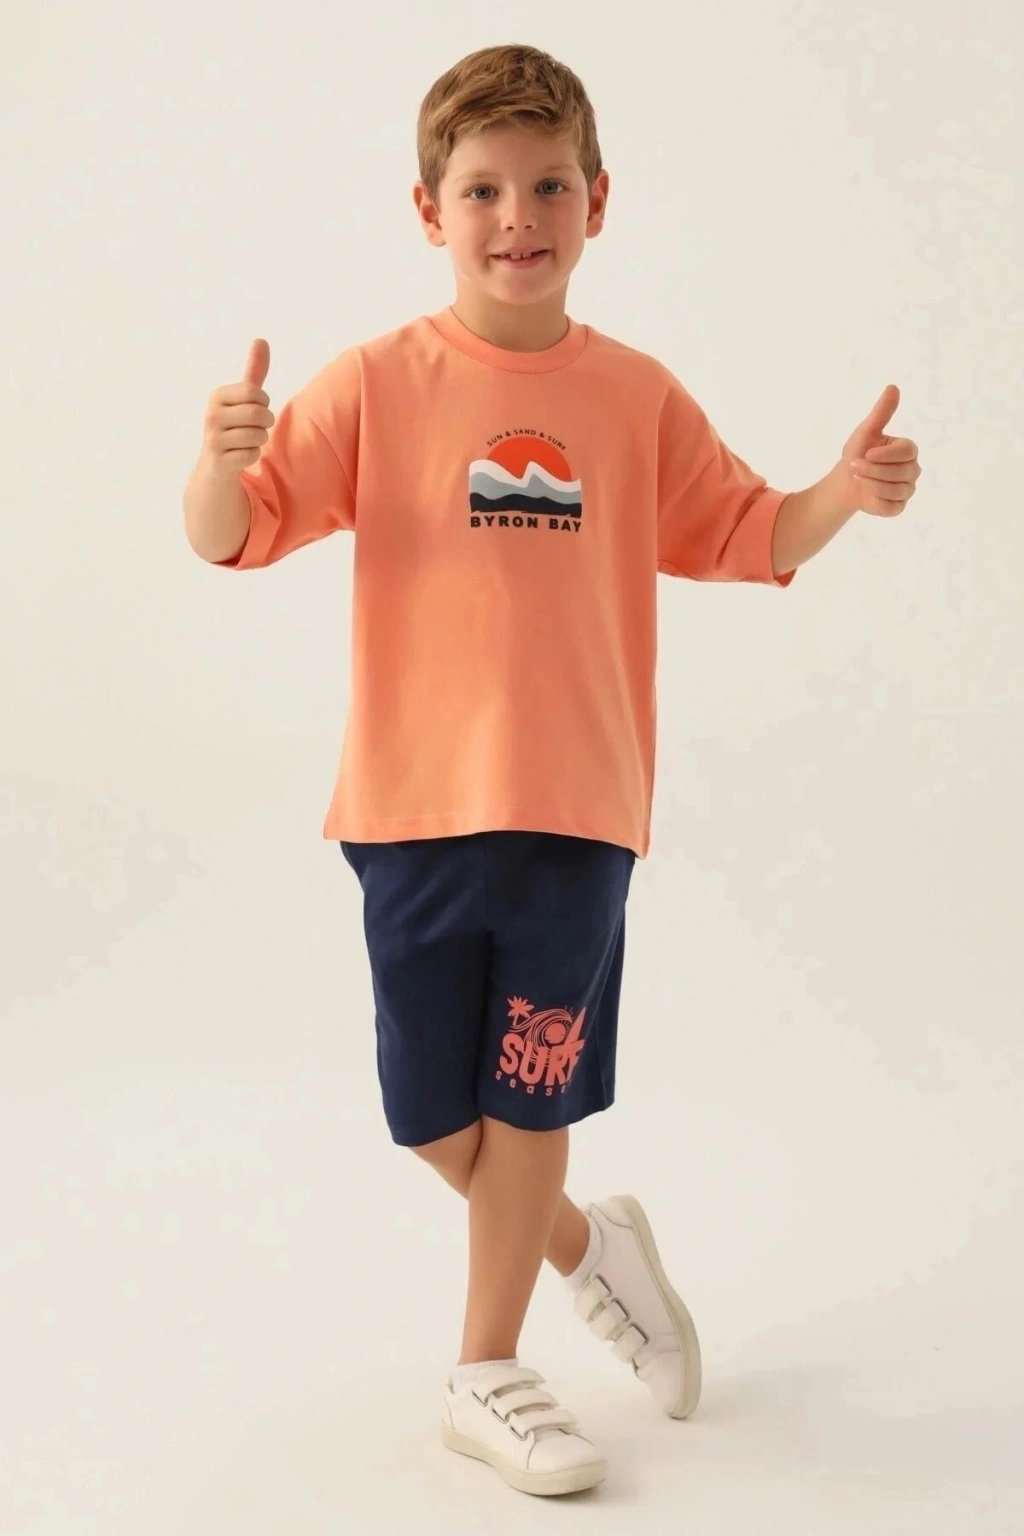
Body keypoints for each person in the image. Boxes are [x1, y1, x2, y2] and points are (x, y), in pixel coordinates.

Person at [182, 43, 921, 1500]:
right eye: (482, 190)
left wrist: (841, 493)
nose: (516, 216)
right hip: (409, 805)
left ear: (598, 202)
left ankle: (487, 1369)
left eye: (547, 186)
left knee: (530, 1102)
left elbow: (745, 532)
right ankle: (591, 1247)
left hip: (580, 808)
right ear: (428, 210)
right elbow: (233, 534)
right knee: (430, 1114)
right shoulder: (374, 384)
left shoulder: (633, 395)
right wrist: (219, 458)